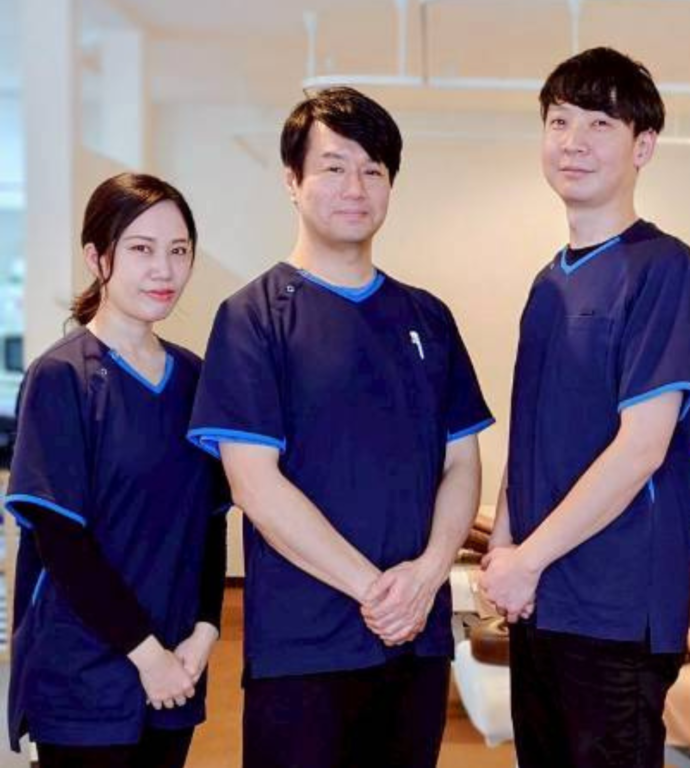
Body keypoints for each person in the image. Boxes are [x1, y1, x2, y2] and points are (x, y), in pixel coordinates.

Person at [187, 86, 493, 768]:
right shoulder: (253, 317)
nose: (355, 187)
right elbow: (255, 486)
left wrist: (428, 574)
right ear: (291, 181)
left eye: (372, 170)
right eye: (333, 167)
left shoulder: (428, 317)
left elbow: (462, 463)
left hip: (417, 641)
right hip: (305, 646)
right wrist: (376, 592)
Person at [480, 47, 690, 768]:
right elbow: (531, 436)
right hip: (541, 600)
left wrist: (527, 560)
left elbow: (643, 446)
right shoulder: (548, 282)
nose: (573, 141)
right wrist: (503, 552)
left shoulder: (663, 267)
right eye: (559, 121)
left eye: (600, 123)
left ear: (643, 146)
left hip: (614, 610)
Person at [5, 172, 228, 768]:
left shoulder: (195, 378)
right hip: (84, 676)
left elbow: (210, 520)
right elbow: (61, 542)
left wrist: (205, 631)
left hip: (177, 668)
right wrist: (148, 657)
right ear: (97, 257)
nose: (164, 269)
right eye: (141, 249)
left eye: (179, 251)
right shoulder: (63, 377)